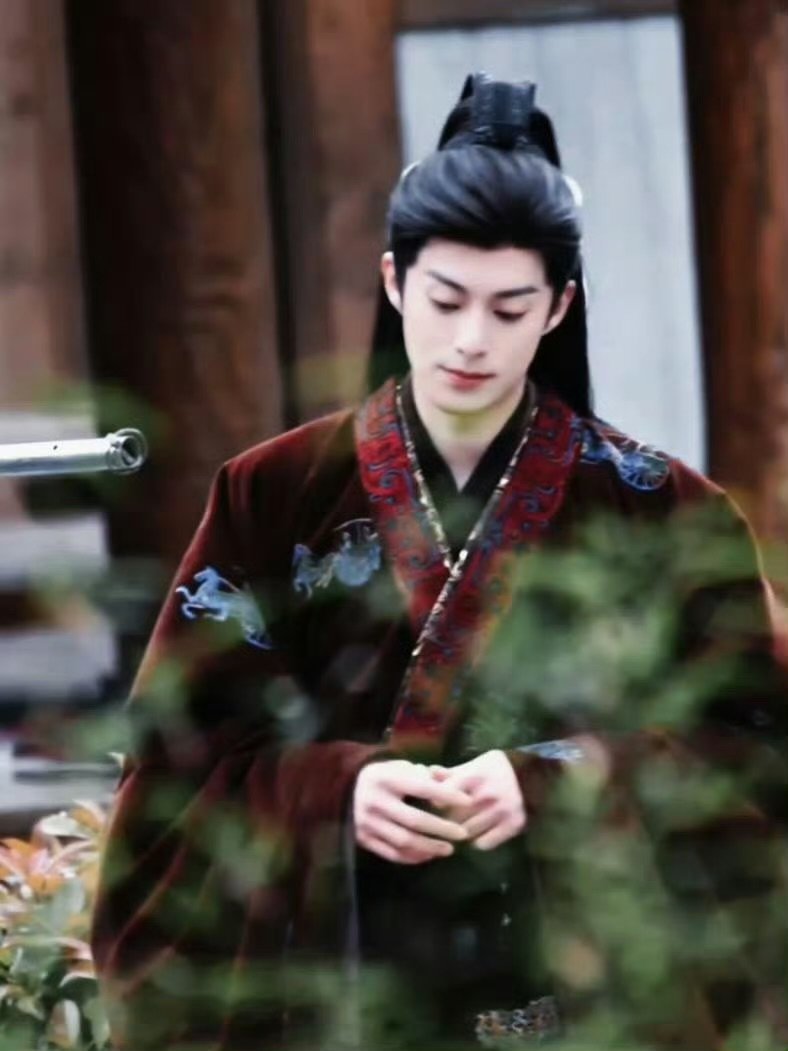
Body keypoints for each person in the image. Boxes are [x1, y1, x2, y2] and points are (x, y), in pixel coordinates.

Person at [91, 74, 788, 1050]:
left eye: (509, 308)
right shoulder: (271, 493)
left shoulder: (660, 506)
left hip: (588, 997)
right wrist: (339, 787)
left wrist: (554, 778)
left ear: (558, 308)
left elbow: (750, 747)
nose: (470, 340)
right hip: (338, 992)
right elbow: (181, 756)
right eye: (445, 298)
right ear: (393, 282)